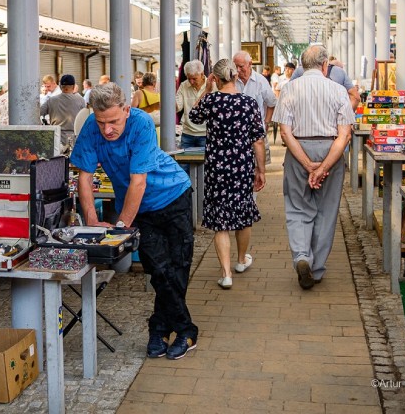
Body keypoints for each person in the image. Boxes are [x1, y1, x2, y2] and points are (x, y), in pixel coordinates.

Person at [71, 83, 197, 360]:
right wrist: (92, 220)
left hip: (173, 196)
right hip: (142, 210)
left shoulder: (141, 124)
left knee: (177, 268)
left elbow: (138, 182)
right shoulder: (92, 127)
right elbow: (84, 176)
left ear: (127, 110)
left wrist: (121, 228)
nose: (107, 130)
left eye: (114, 121)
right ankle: (185, 330)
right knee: (158, 270)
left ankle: (162, 329)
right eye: (101, 122)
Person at [272, 45, 354, 289]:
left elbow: (285, 133)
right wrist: (323, 167)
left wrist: (308, 164)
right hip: (331, 151)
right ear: (325, 65)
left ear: (301, 66)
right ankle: (316, 269)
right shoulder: (338, 91)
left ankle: (301, 257)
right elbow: (345, 135)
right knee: (326, 212)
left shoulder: (289, 89)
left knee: (297, 207)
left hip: (299, 151)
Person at [189, 59, 266, 289]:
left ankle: (226, 274)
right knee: (243, 214)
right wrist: (260, 170)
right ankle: (241, 260)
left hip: (217, 167)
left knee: (220, 221)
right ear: (234, 76)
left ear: (216, 78)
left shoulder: (211, 101)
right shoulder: (249, 103)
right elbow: (258, 140)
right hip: (242, 166)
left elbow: (193, 117)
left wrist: (206, 90)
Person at [233, 51, 276, 163]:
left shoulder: (261, 81)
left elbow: (271, 103)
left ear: (250, 63)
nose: (238, 70)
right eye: (235, 66)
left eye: (241, 66)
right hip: (236, 133)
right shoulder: (232, 81)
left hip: (256, 132)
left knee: (259, 167)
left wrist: (266, 123)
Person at [289, 54, 359, 111]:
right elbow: (355, 97)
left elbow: (288, 96)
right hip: (333, 124)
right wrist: (346, 118)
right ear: (325, 63)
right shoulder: (339, 72)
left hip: (302, 122)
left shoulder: (299, 71)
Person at [41, 74, 86, 149]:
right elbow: (84, 119)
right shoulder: (80, 100)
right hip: (75, 138)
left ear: (61, 86)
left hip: (57, 139)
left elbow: (39, 112)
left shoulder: (51, 100)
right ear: (74, 86)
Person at [175, 60, 207, 156]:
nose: (191, 82)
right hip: (187, 133)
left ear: (202, 74)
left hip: (206, 134)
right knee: (184, 167)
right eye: (189, 79)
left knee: (205, 168)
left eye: (194, 79)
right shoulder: (184, 85)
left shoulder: (212, 86)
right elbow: (178, 107)